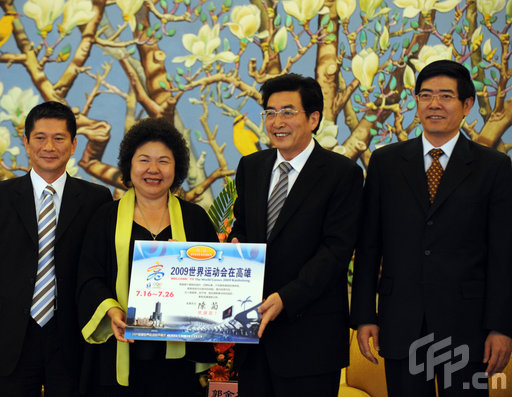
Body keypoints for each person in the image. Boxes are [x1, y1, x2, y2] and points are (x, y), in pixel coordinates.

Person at [350, 60, 512, 396]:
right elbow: (369, 246)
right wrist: (365, 315)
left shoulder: (493, 168)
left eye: (445, 96)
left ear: (467, 105)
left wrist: (501, 326)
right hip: (402, 322)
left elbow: (503, 253)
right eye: (425, 95)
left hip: (468, 327)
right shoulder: (387, 162)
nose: (434, 104)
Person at [228, 73, 364, 396]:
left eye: (288, 112)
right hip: (254, 338)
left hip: (310, 340)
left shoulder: (342, 174)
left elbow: (335, 252)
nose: (277, 122)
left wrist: (285, 298)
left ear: (314, 118)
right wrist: (235, 245)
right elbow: (242, 226)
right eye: (270, 113)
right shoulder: (251, 167)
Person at [0, 101, 112, 396]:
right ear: (26, 142)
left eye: (59, 138)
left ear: (73, 145)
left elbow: (98, 265)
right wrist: (10, 305)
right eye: (40, 137)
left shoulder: (96, 199)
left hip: (72, 337)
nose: (49, 146)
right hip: (11, 338)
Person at [77, 117, 218, 397]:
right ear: (129, 165)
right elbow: (88, 276)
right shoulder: (106, 216)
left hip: (178, 363)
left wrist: (193, 267)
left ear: (176, 168)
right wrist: (111, 311)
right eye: (144, 160)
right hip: (118, 352)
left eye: (164, 161)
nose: (153, 169)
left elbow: (213, 284)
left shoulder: (195, 219)